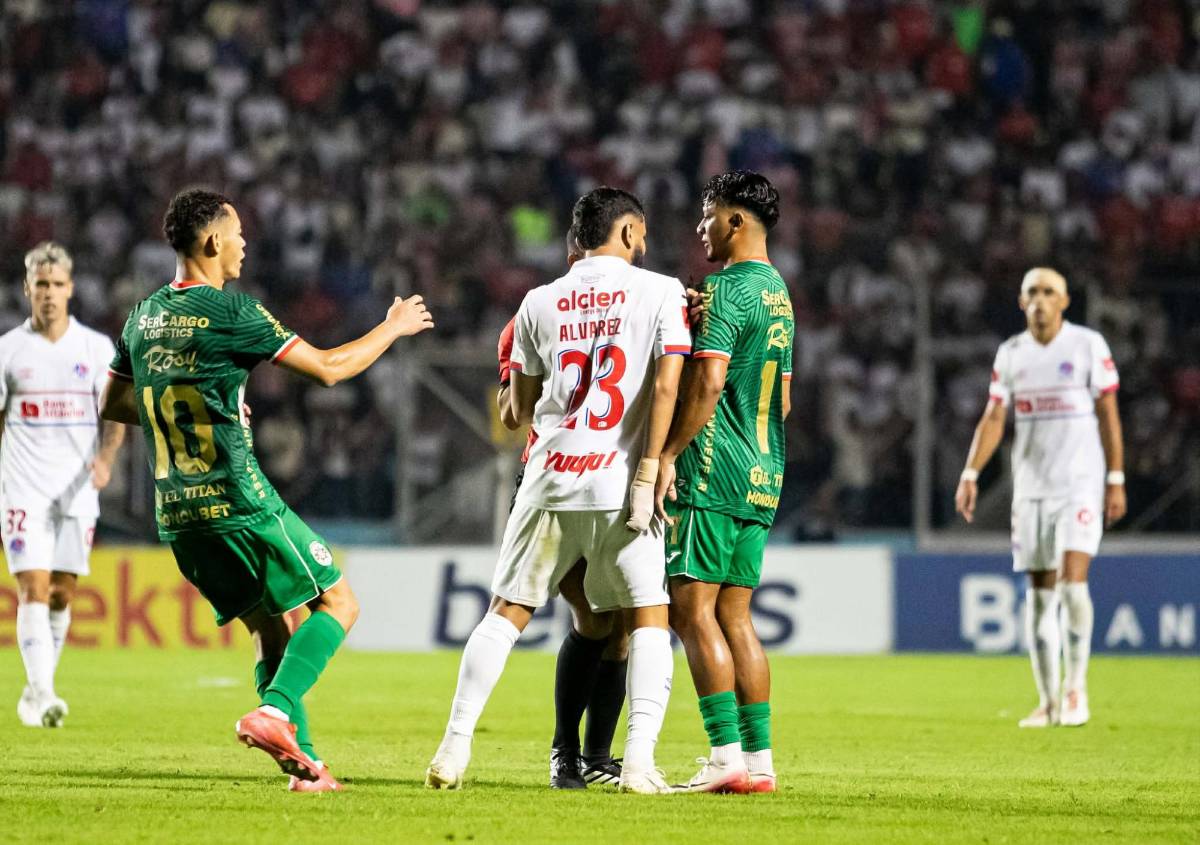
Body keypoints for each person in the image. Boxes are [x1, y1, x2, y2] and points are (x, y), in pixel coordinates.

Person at [99, 188, 433, 791]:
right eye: (238, 233)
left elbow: (117, 402)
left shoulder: (141, 314)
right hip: (240, 502)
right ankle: (274, 712)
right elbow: (330, 369)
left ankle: (304, 766)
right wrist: (392, 327)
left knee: (271, 628)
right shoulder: (234, 314)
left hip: (175, 512)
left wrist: (210, 403)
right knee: (339, 603)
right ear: (211, 242)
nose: (245, 243)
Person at [426, 187, 691, 794]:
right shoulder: (661, 291)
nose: (645, 245)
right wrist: (652, 466)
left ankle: (454, 746)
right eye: (642, 234)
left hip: (548, 477)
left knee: (505, 615)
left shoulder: (538, 302)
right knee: (648, 620)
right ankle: (638, 763)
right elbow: (670, 390)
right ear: (628, 233)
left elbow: (517, 409)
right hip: (622, 481)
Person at [655, 170, 793, 794]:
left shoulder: (726, 290)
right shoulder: (777, 294)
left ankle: (723, 756)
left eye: (707, 213)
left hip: (714, 472)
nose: (699, 226)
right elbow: (782, 402)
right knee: (737, 616)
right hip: (766, 471)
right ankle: (759, 764)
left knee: (691, 610)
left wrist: (668, 453)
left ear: (735, 221)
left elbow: (708, 383)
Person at [956, 267, 1125, 729]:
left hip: (1079, 484)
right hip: (1030, 490)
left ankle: (1077, 691)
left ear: (1065, 301)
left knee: (1073, 587)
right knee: (1038, 598)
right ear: (1020, 300)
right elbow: (994, 417)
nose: (1040, 300)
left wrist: (1115, 477)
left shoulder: (1087, 345)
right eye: (1032, 292)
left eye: (1049, 292)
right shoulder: (1012, 354)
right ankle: (1048, 701)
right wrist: (971, 472)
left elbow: (1109, 414)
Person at [496, 227, 628, 790]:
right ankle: (566, 752)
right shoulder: (534, 315)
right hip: (554, 479)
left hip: (615, 479)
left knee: (618, 626)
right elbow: (513, 412)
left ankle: (596, 756)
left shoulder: (635, 306)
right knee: (593, 618)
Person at [0, 242, 126, 727]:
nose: (49, 293)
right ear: (26, 288)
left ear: (70, 289)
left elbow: (113, 414)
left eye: (57, 285)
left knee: (61, 594)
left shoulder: (94, 349)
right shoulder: (9, 351)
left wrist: (106, 458)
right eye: (41, 285)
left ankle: (36, 695)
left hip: (77, 491)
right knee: (32, 587)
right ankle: (46, 693)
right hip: (23, 489)